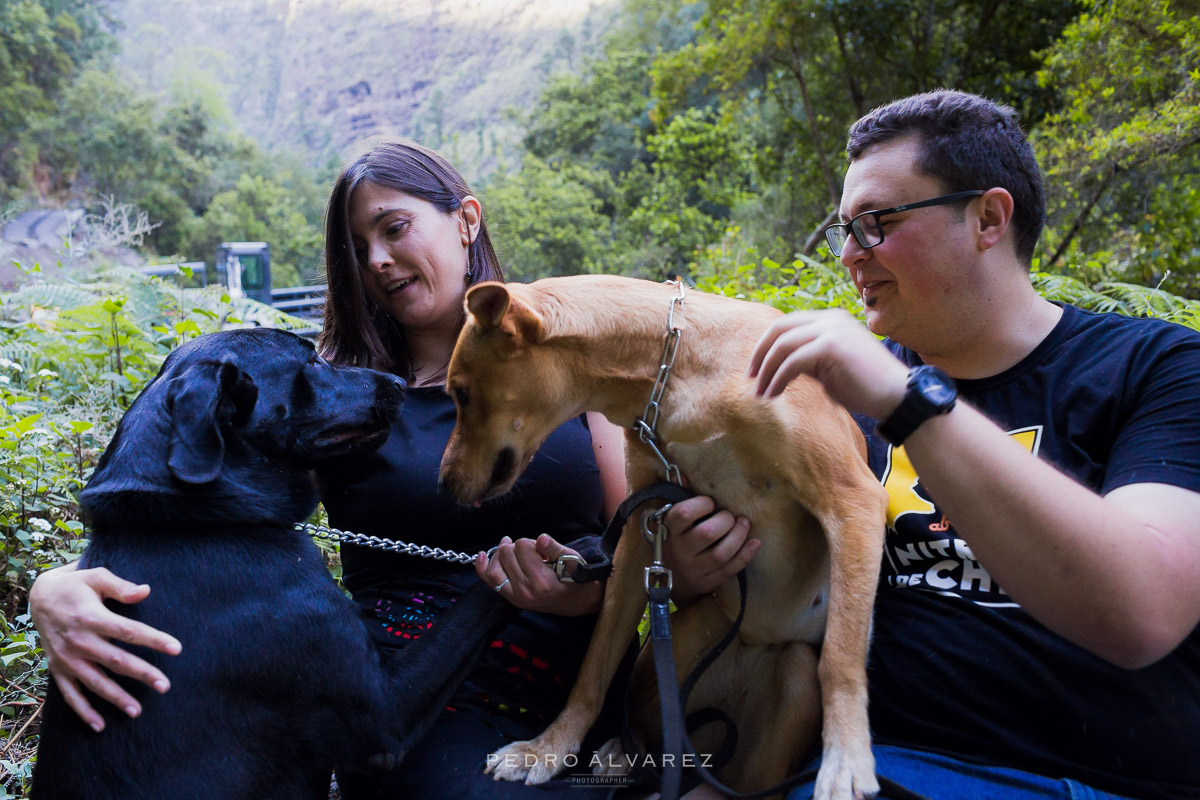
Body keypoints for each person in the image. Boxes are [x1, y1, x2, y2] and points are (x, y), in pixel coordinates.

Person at [27, 137, 752, 798]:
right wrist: (53, 589)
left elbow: (637, 536)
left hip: (586, 696)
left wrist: (655, 576)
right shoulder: (335, 398)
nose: (375, 258)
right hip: (421, 708)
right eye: (358, 244)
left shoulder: (569, 356)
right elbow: (202, 519)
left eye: (394, 227)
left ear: (465, 219)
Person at [730, 90, 1200, 799]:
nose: (852, 255)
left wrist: (905, 399)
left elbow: (1144, 612)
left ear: (987, 218)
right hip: (862, 767)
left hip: (1091, 781)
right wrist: (701, 555)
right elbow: (785, 586)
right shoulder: (841, 402)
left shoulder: (1160, 367)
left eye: (877, 222)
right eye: (845, 230)